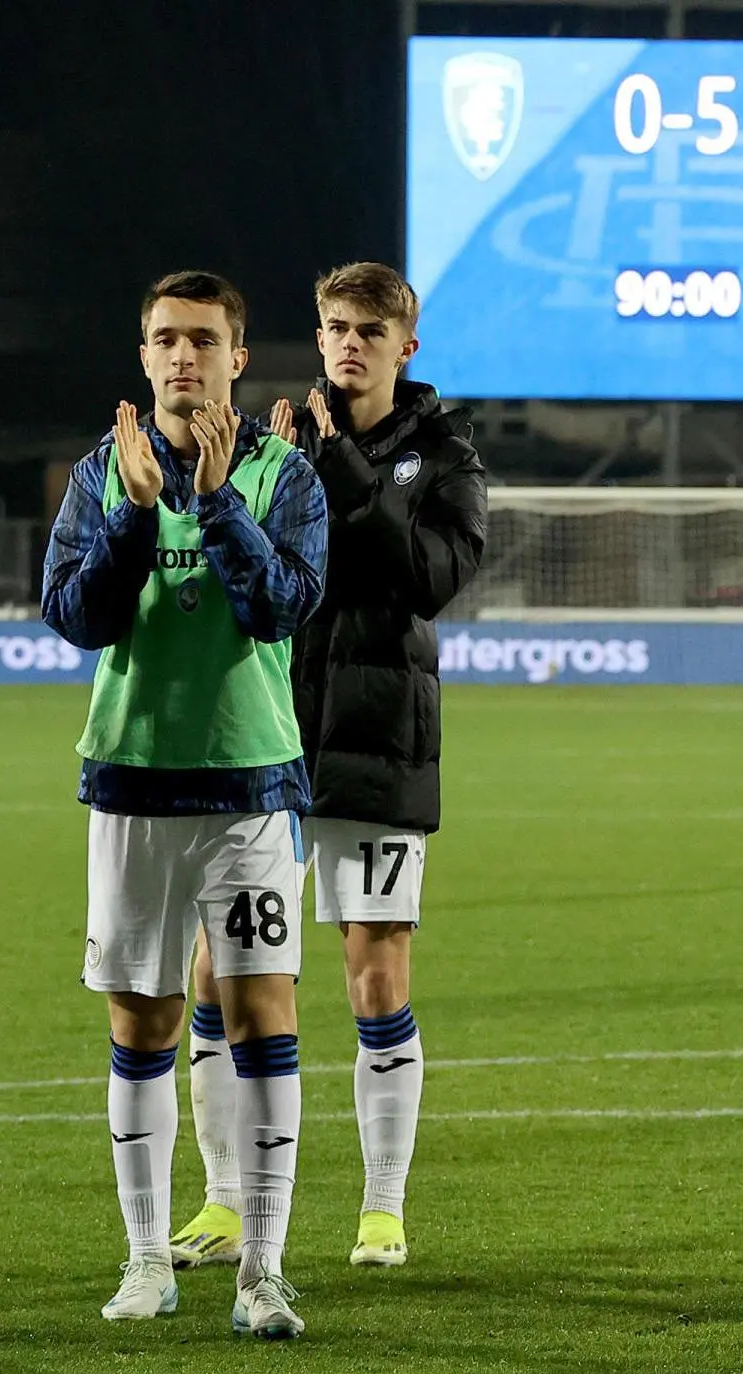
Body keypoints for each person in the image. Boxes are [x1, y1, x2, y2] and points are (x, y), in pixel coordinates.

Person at [169, 263, 487, 1272]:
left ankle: (381, 1209)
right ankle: (223, 1204)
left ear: (406, 346)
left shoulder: (443, 454)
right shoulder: (269, 445)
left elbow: (429, 580)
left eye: (368, 331)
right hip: (264, 740)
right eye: (334, 327)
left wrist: (343, 466)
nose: (348, 344)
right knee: (217, 976)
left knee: (374, 977)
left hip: (381, 739)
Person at [40, 270, 328, 1340]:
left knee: (262, 1015)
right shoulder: (99, 473)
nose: (181, 357)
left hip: (251, 785)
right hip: (130, 783)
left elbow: (281, 606)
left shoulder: (281, 474)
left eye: (202, 339)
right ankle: (145, 1258)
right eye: (164, 337)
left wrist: (211, 506)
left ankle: (262, 1269)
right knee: (142, 1022)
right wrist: (135, 513)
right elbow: (74, 616)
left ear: (237, 356)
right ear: (143, 351)